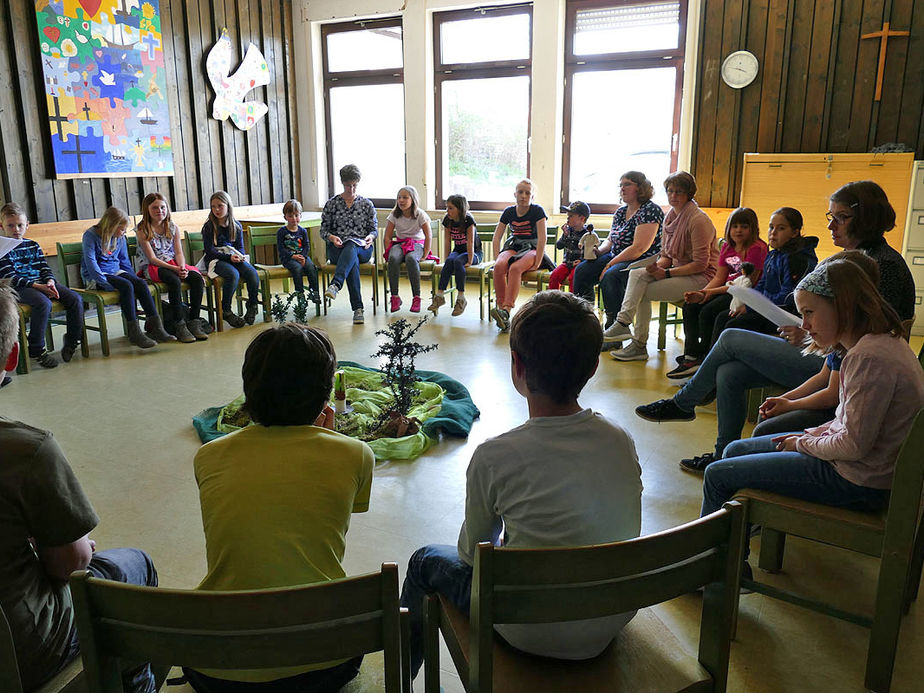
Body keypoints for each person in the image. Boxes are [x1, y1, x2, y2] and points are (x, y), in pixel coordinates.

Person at [400, 291, 643, 682]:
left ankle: (399, 678)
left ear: (517, 366)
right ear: (594, 366)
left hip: (525, 628)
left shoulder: (495, 456)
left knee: (425, 559)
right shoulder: (620, 439)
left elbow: (470, 556)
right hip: (608, 618)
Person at [635, 183, 916, 473]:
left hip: (845, 372)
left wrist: (807, 334)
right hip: (830, 361)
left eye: (841, 217)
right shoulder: (860, 259)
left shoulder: (880, 266)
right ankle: (722, 455)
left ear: (866, 217)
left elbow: (864, 341)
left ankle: (685, 402)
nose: (832, 225)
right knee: (728, 373)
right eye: (830, 216)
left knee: (730, 337)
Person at [188, 323, 374, 692]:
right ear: (325, 395)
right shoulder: (355, 455)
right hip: (325, 665)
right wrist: (330, 441)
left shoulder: (208, 457)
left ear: (249, 388)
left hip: (217, 672)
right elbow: (336, 511)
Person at [699, 258, 924, 563]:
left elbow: (854, 445)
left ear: (842, 306)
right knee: (735, 450)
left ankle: (709, 567)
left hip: (857, 481)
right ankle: (732, 551)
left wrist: (801, 442)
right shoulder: (872, 345)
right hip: (856, 467)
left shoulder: (869, 358)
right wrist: (810, 435)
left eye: (809, 313)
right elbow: (847, 424)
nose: (804, 325)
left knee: (717, 474)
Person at [0, 282, 158, 692]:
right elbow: (70, 566)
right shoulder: (26, 450)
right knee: (135, 566)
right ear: (12, 355)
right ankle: (135, 683)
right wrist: (82, 546)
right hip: (20, 653)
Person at [604, 171, 719, 361]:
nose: (673, 196)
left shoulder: (698, 220)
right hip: (680, 272)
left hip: (703, 278)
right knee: (636, 274)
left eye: (679, 192)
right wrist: (655, 268)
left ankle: (638, 344)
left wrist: (665, 273)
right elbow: (666, 256)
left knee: (642, 291)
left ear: (689, 193)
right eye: (670, 191)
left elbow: (701, 264)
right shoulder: (670, 217)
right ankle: (623, 324)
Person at [669, 207, 769, 379]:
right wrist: (701, 293)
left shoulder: (757, 248)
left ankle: (707, 358)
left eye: (744, 226)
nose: (738, 230)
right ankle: (691, 356)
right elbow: (720, 276)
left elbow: (746, 283)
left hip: (745, 294)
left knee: (709, 311)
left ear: (753, 229)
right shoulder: (728, 248)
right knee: (691, 306)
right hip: (728, 288)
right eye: (734, 226)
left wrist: (709, 293)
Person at [571, 171, 663, 331]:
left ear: (640, 187)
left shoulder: (650, 210)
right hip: (616, 255)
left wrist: (608, 265)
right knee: (582, 270)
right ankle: (584, 321)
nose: (622, 188)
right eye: (620, 185)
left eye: (627, 184)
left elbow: (639, 248)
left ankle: (615, 327)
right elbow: (611, 239)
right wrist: (599, 251)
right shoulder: (621, 211)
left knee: (610, 275)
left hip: (641, 259)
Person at [0, 202, 84, 367]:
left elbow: (44, 267)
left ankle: (72, 340)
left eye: (20, 225)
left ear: (27, 225)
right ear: (2, 226)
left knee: (75, 299)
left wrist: (50, 281)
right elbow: (10, 276)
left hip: (42, 283)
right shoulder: (3, 248)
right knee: (43, 303)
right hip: (18, 287)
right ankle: (36, 348)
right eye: (11, 226)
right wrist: (39, 287)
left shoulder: (32, 245)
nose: (16, 229)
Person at [81, 206, 174, 349]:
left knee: (140, 284)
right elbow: (91, 263)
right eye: (122, 229)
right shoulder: (91, 235)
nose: (124, 232)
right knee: (126, 286)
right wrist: (104, 283)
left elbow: (124, 262)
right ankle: (134, 332)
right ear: (111, 226)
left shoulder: (120, 238)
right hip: (97, 276)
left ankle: (156, 328)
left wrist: (134, 279)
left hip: (115, 271)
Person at [135, 192, 208, 343]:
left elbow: (179, 252)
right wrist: (175, 270)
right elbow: (152, 258)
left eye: (163, 207)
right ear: (147, 210)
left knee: (196, 278)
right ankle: (179, 324)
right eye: (155, 208)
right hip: (154, 267)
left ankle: (194, 321)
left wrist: (181, 267)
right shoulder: (143, 229)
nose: (159, 211)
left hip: (173, 264)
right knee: (174, 281)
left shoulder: (172, 227)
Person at [320, 164, 377, 325]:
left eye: (354, 185)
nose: (351, 189)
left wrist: (370, 237)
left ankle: (336, 284)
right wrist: (331, 237)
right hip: (337, 249)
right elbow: (323, 230)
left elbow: (373, 230)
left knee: (352, 245)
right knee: (351, 258)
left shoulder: (366, 204)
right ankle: (358, 309)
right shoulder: (332, 204)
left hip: (363, 248)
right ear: (342, 183)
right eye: (348, 185)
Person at [489, 179, 548, 331]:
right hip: (515, 245)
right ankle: (501, 309)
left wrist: (538, 261)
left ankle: (506, 310)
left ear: (532, 196)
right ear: (515, 194)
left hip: (532, 248)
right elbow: (497, 236)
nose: (523, 196)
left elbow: (542, 238)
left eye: (527, 193)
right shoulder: (509, 211)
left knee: (515, 269)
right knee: (499, 266)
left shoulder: (537, 211)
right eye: (520, 192)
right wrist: (497, 257)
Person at [200, 191, 261, 328]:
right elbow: (210, 252)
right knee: (233, 275)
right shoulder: (209, 227)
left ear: (228, 206)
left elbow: (240, 248)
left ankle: (252, 305)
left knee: (252, 273)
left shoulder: (236, 225)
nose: (216, 210)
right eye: (213, 206)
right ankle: (226, 310)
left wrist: (239, 257)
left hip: (232, 257)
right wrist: (228, 258)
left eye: (220, 206)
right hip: (216, 260)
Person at [429, 194, 481, 317]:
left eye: (451, 208)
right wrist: (446, 260)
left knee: (458, 261)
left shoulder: (468, 220)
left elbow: (471, 242)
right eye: (447, 207)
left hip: (474, 253)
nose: (448, 211)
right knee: (451, 261)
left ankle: (461, 298)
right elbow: (447, 241)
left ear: (460, 208)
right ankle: (439, 296)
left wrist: (469, 260)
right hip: (458, 251)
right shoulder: (448, 220)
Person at [384, 185, 432, 313]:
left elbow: (428, 235)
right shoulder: (394, 215)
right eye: (399, 198)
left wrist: (425, 254)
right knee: (393, 259)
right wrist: (388, 252)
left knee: (411, 258)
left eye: (405, 198)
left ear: (413, 199)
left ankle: (416, 297)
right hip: (400, 243)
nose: (401, 200)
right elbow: (387, 236)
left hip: (417, 244)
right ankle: (395, 297)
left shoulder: (420, 214)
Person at [276, 198, 320, 304]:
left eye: (296, 215)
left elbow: (306, 246)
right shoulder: (282, 232)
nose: (294, 219)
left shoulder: (302, 231)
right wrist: (293, 256)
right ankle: (300, 293)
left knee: (311, 267)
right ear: (285, 217)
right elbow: (281, 249)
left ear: (300, 215)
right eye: (290, 216)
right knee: (297, 268)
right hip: (288, 259)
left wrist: (303, 256)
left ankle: (315, 292)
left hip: (301, 257)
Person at [548, 201, 592, 291]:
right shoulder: (569, 231)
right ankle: (553, 298)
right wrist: (564, 235)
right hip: (567, 264)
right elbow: (559, 246)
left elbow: (591, 253)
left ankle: (572, 301)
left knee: (574, 278)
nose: (567, 218)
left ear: (582, 218)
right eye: (568, 216)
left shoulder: (588, 234)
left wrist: (582, 261)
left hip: (579, 265)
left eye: (571, 216)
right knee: (554, 276)